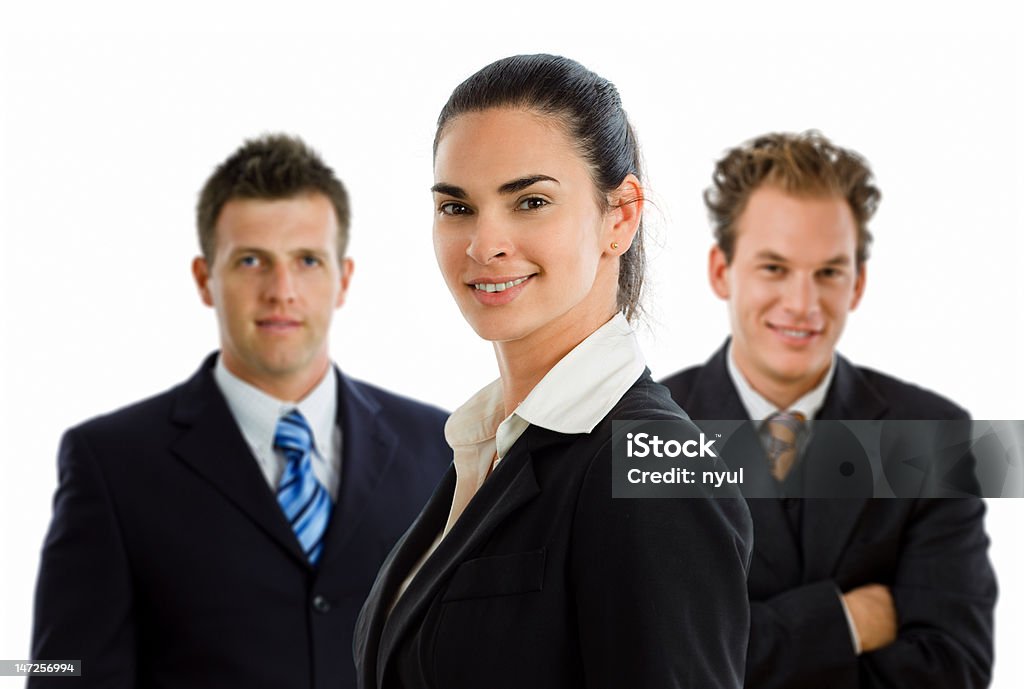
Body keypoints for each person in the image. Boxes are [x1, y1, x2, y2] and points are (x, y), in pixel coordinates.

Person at [353, 54, 753, 689]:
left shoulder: (652, 464)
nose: (485, 245)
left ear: (619, 216)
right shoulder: (485, 446)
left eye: (530, 201)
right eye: (457, 208)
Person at [29, 134, 451, 689]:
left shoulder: (439, 448)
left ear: (343, 279)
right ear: (205, 279)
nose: (282, 290)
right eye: (251, 260)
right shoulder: (109, 463)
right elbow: (60, 671)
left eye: (307, 261)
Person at [660, 131, 996, 688]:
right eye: (774, 268)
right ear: (721, 271)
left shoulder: (941, 436)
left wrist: (745, 651)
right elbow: (644, 661)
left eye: (829, 272)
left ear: (858, 283)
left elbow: (955, 670)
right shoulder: (638, 434)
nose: (802, 304)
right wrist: (843, 622)